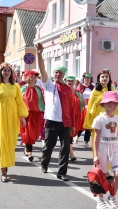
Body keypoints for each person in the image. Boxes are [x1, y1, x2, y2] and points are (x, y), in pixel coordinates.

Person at [36, 43, 75, 181]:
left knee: (65, 149)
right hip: (52, 122)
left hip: (65, 123)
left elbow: (71, 108)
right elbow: (42, 69)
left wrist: (72, 125)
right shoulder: (49, 84)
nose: (57, 74)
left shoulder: (67, 89)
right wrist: (39, 54)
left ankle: (62, 173)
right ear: (53, 74)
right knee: (48, 146)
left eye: (60, 73)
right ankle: (44, 163)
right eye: (56, 72)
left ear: (64, 75)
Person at [0, 63, 28, 182]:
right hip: (0, 117)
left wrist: (23, 117)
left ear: (11, 73)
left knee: (10, 143)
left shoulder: (16, 87)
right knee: (2, 142)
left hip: (13, 117)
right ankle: (3, 172)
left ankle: (6, 165)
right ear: (1, 72)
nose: (7, 72)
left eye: (8, 70)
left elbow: (20, 102)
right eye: (4, 70)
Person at [92, 91, 118, 209]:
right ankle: (100, 200)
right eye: (111, 103)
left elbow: (116, 134)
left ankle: (112, 196)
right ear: (104, 104)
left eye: (116, 103)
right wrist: (95, 155)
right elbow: (96, 139)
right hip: (102, 147)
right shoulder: (99, 119)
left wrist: (114, 145)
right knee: (102, 175)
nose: (114, 105)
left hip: (114, 147)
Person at [83, 69, 118, 153]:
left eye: (106, 76)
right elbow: (90, 107)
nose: (104, 78)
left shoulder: (112, 90)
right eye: (102, 77)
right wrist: (90, 122)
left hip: (110, 118)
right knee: (97, 141)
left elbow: (117, 106)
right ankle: (98, 161)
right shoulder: (94, 91)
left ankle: (109, 162)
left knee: (110, 140)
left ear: (109, 78)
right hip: (98, 118)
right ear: (98, 79)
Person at [20, 70, 45, 162]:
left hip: (37, 114)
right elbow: (18, 101)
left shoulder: (38, 89)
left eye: (35, 77)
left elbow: (42, 101)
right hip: (26, 114)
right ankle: (30, 153)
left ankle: (26, 149)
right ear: (27, 78)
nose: (33, 79)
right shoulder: (23, 88)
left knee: (34, 133)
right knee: (28, 133)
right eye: (31, 77)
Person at [66, 76, 85, 162]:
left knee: (72, 134)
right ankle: (71, 152)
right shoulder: (64, 92)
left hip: (76, 116)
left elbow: (82, 103)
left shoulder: (78, 93)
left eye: (71, 81)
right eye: (68, 81)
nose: (70, 83)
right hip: (67, 116)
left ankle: (68, 151)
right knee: (69, 134)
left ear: (74, 82)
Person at [76, 73, 95, 147]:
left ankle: (86, 141)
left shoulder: (93, 87)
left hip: (90, 106)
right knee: (81, 122)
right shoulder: (80, 87)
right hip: (82, 106)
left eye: (88, 78)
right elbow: (76, 96)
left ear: (90, 80)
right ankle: (77, 136)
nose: (87, 80)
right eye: (85, 78)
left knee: (88, 124)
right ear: (83, 79)